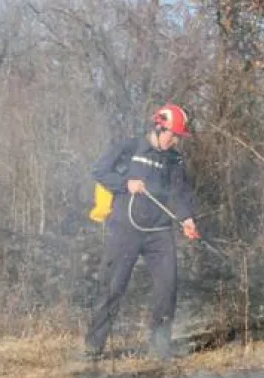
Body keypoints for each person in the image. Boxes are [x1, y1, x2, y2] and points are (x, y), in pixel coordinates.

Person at [85, 103, 201, 360]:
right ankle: (93, 347)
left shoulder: (174, 160)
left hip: (159, 232)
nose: (175, 141)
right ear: (159, 127)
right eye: (173, 135)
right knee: (112, 287)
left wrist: (187, 218)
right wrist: (125, 184)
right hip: (125, 229)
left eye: (178, 137)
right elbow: (98, 171)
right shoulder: (129, 148)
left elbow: (180, 192)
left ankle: (159, 348)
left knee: (167, 287)